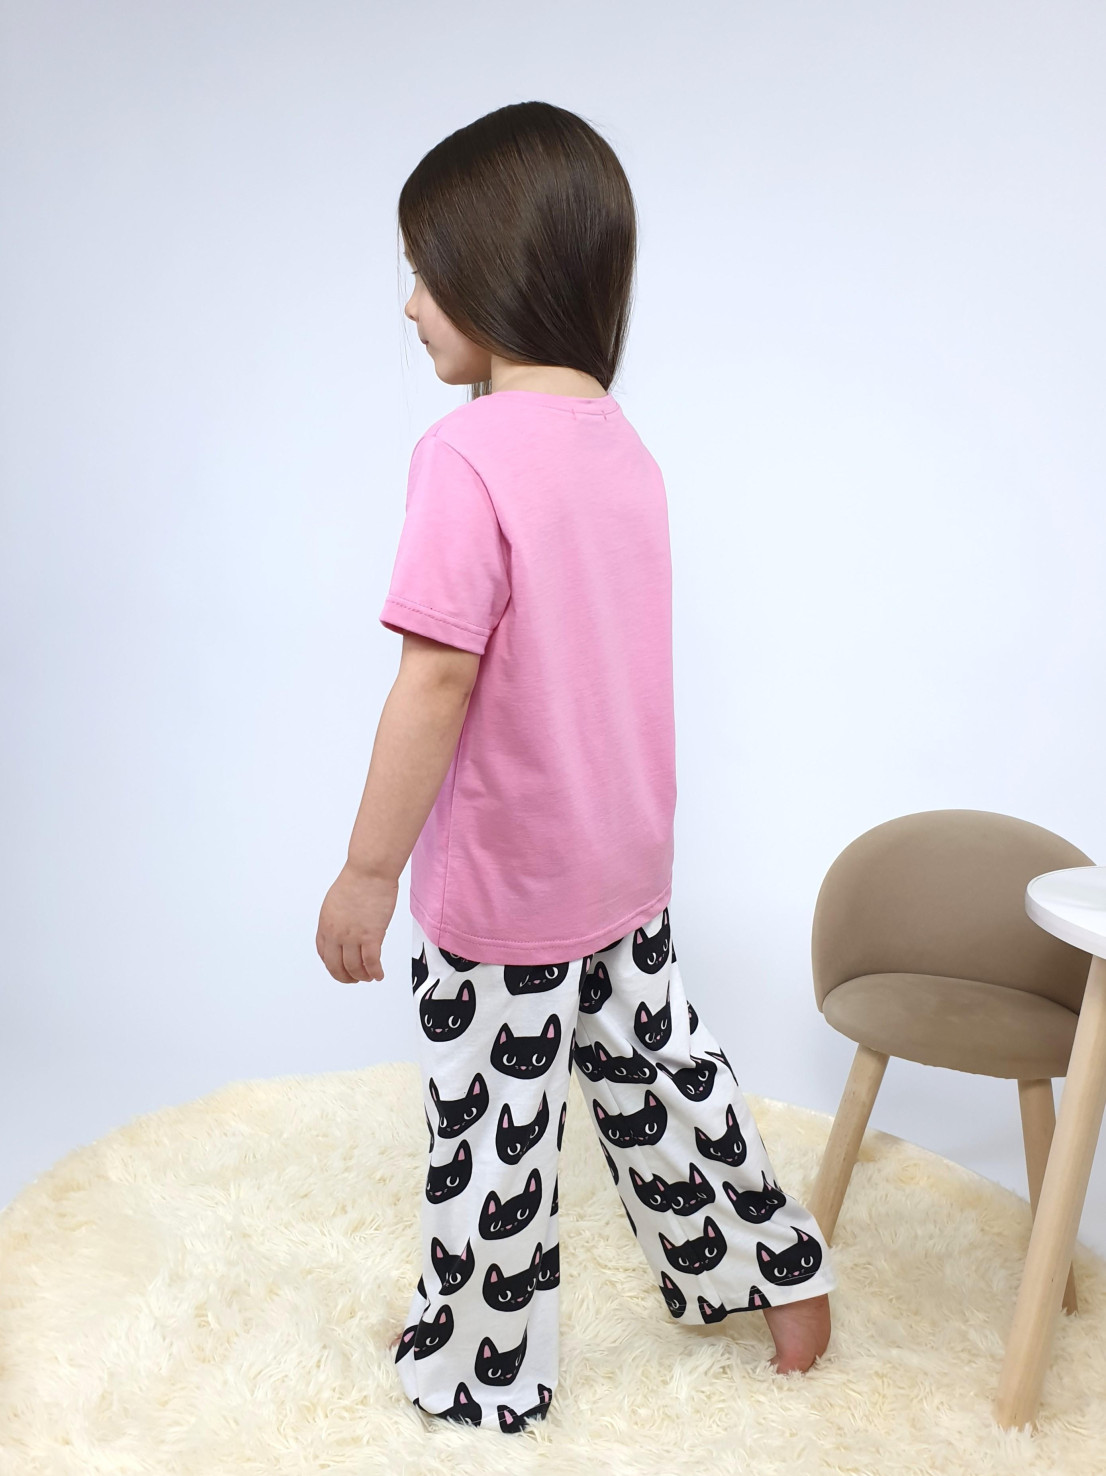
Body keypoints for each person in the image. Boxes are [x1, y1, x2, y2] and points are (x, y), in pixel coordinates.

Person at [316, 99, 837, 1436]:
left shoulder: (462, 456)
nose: (410, 305)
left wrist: (368, 873)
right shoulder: (621, 442)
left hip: (506, 887)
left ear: (493, 271)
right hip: (622, 860)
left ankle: (476, 1370)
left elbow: (436, 680)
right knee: (667, 1079)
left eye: (425, 274)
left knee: (492, 1138)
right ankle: (779, 1278)